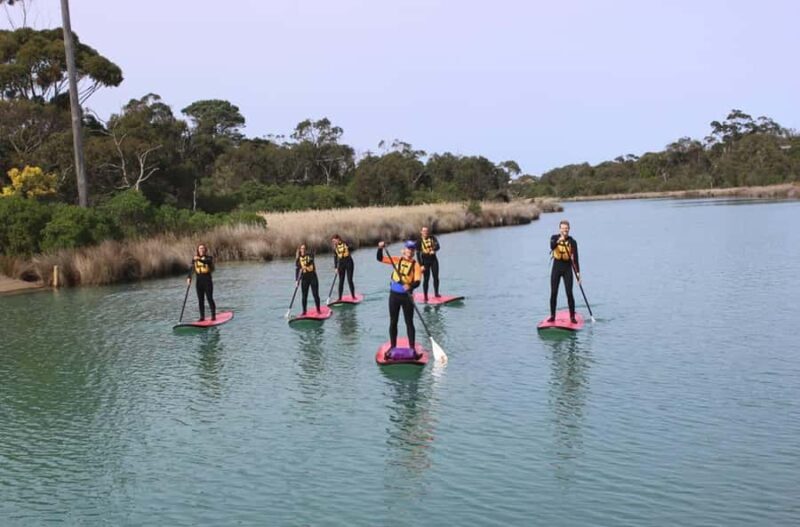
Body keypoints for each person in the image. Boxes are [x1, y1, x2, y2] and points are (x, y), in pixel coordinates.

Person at [377, 240, 422, 359]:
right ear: (405, 250)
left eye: (412, 250)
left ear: (414, 252)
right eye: (408, 249)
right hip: (394, 296)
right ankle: (393, 347)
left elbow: (417, 282)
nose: (410, 251)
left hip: (407, 297)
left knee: (409, 322)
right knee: (393, 322)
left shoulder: (416, 265)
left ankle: (412, 349)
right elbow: (379, 258)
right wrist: (380, 248)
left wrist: (410, 286)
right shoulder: (396, 260)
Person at [549, 220, 580, 324]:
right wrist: (559, 240)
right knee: (553, 293)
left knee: (569, 293)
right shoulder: (554, 238)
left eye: (566, 228)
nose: (564, 230)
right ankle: (552, 316)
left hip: (567, 268)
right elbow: (552, 246)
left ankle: (572, 317)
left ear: (569, 229)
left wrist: (578, 275)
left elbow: (575, 260)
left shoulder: (572, 242)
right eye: (562, 228)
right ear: (560, 229)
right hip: (556, 267)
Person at [187, 243, 216, 321]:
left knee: (209, 298)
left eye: (203, 248)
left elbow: (206, 262)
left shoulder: (209, 258)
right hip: (199, 281)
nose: (202, 250)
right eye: (200, 248)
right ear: (198, 250)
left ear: (205, 250)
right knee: (200, 300)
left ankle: (213, 316)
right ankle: (202, 317)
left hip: (207, 280)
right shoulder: (194, 259)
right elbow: (191, 269)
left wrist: (198, 259)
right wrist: (189, 277)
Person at [415, 226, 441, 301]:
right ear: (421, 232)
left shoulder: (433, 238)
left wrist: (434, 249)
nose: (425, 232)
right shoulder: (418, 241)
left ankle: (436, 293)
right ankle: (425, 296)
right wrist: (421, 265)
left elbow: (438, 246)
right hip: (424, 261)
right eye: (424, 231)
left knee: (436, 277)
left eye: (426, 231)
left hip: (433, 260)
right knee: (426, 279)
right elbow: (417, 254)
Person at [295, 244, 321, 316]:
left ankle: (318, 310)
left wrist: (305, 265)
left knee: (315, 294)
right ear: (300, 250)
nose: (303, 250)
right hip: (304, 279)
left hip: (313, 277)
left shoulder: (310, 256)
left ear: (306, 250)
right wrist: (297, 280)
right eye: (302, 248)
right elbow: (297, 270)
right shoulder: (298, 259)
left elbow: (311, 261)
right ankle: (304, 312)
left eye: (304, 248)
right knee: (304, 296)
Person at [331, 234, 356, 301]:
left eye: (334, 241)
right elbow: (335, 257)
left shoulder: (345, 243)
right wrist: (336, 268)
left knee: (349, 280)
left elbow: (353, 248)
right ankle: (340, 298)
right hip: (341, 264)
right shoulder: (335, 247)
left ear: (338, 239)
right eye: (333, 241)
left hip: (349, 262)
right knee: (341, 281)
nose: (333, 242)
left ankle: (353, 296)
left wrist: (349, 247)